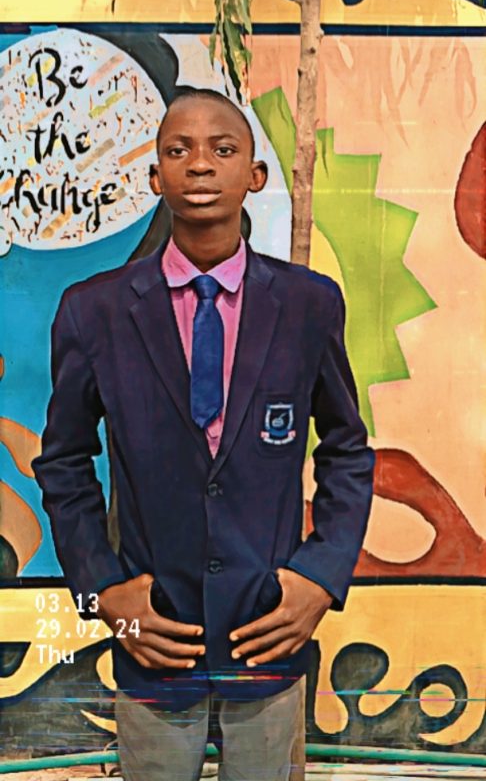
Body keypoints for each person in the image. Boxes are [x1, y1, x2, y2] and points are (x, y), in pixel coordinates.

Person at [32, 87, 375, 781]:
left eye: (222, 150)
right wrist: (105, 592)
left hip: (267, 637)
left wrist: (319, 577)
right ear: (155, 176)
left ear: (255, 175)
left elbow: (346, 452)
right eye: (178, 150)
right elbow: (64, 463)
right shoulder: (94, 312)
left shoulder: (308, 307)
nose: (199, 166)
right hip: (153, 638)